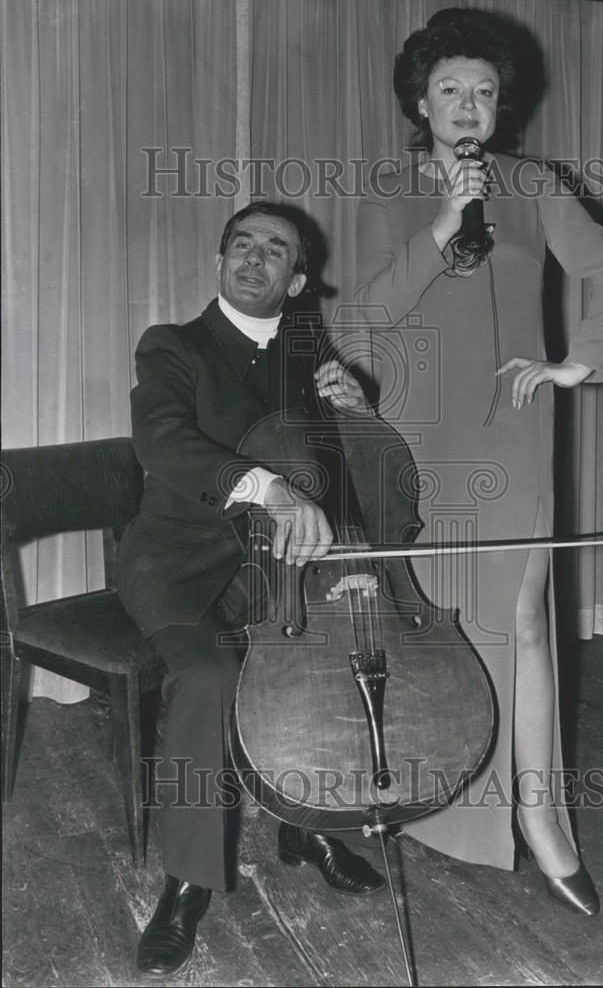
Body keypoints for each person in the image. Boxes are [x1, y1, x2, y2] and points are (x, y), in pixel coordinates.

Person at [353, 8, 603, 916]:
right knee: (425, 624)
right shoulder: (383, 190)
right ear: (420, 101)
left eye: (482, 91)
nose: (468, 106)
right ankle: (423, 803)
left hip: (509, 434)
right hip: (412, 438)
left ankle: (542, 818)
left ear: (499, 103)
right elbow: (356, 323)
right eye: (449, 90)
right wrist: (439, 227)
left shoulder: (533, 182)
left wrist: (573, 363)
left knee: (522, 623)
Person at [117, 201, 385, 979]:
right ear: (218, 262)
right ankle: (186, 885)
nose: (254, 258)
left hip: (286, 569)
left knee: (335, 657)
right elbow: (162, 441)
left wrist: (358, 420)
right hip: (181, 563)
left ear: (296, 279)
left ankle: (312, 824)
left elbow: (337, 473)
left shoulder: (310, 355)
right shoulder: (174, 346)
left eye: (275, 250)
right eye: (242, 245)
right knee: (209, 676)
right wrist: (264, 487)